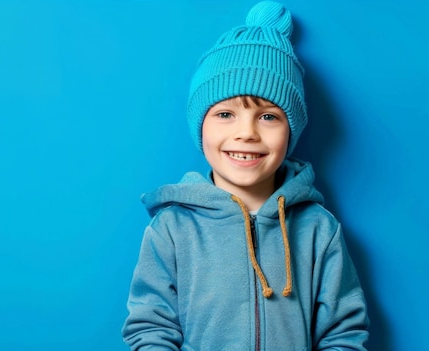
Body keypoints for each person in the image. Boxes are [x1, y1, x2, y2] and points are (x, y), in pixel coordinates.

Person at [121, 1, 370, 350]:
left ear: (291, 131)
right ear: (200, 125)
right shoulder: (172, 229)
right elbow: (150, 327)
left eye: (268, 117)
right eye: (225, 114)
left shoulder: (318, 229)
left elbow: (343, 331)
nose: (247, 133)